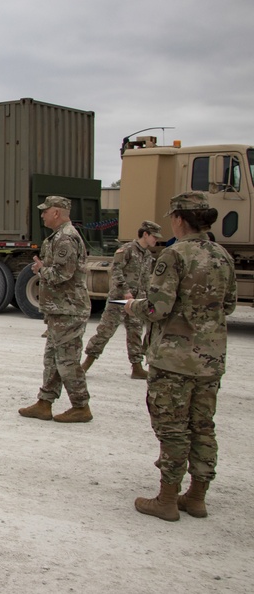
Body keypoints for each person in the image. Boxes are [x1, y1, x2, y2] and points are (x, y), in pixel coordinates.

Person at [125, 192, 236, 521]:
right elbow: (228, 305)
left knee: (173, 429)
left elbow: (157, 308)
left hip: (174, 359)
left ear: (178, 219)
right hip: (211, 358)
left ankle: (168, 499)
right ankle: (197, 497)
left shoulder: (173, 255)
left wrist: (133, 306)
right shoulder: (222, 255)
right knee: (203, 426)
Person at [18, 196, 91, 423]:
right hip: (59, 310)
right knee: (52, 358)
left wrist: (41, 270)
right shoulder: (58, 237)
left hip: (69, 310)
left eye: (45, 211)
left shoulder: (66, 238)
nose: (42, 215)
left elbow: (62, 274)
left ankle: (81, 406)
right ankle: (45, 402)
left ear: (57, 213)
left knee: (67, 360)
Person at [81, 220, 162, 378]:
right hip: (119, 299)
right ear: (145, 234)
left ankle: (137, 368)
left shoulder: (147, 255)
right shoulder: (127, 250)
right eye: (154, 236)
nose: (156, 240)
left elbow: (146, 279)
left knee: (135, 332)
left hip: (137, 302)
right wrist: (125, 291)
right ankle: (85, 364)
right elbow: (116, 271)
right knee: (105, 331)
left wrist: (146, 297)